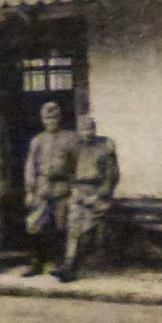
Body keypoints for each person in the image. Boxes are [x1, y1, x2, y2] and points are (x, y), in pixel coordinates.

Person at [57, 116, 119, 282]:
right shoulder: (73, 147)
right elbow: (66, 169)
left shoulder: (105, 146)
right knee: (73, 227)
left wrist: (103, 194)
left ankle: (76, 266)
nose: (87, 133)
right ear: (78, 130)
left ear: (95, 129)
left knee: (87, 229)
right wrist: (73, 187)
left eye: (90, 128)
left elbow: (111, 173)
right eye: (83, 129)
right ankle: (69, 265)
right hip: (79, 190)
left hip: (97, 191)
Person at [23, 100, 78, 277]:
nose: (51, 121)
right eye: (47, 118)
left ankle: (60, 264)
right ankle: (36, 263)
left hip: (63, 187)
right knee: (35, 225)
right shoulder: (37, 140)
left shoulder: (70, 138)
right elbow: (30, 166)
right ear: (42, 119)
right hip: (42, 187)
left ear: (60, 118)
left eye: (54, 117)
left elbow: (77, 164)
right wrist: (30, 191)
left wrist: (74, 188)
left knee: (61, 226)